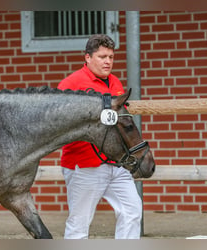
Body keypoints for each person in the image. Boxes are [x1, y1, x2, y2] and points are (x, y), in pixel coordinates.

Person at [57, 34, 142, 239]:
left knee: (132, 210)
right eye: (102, 56)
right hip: (85, 164)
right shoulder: (71, 84)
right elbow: (59, 125)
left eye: (111, 57)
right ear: (87, 58)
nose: (108, 61)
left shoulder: (115, 83)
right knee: (79, 224)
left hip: (116, 163)